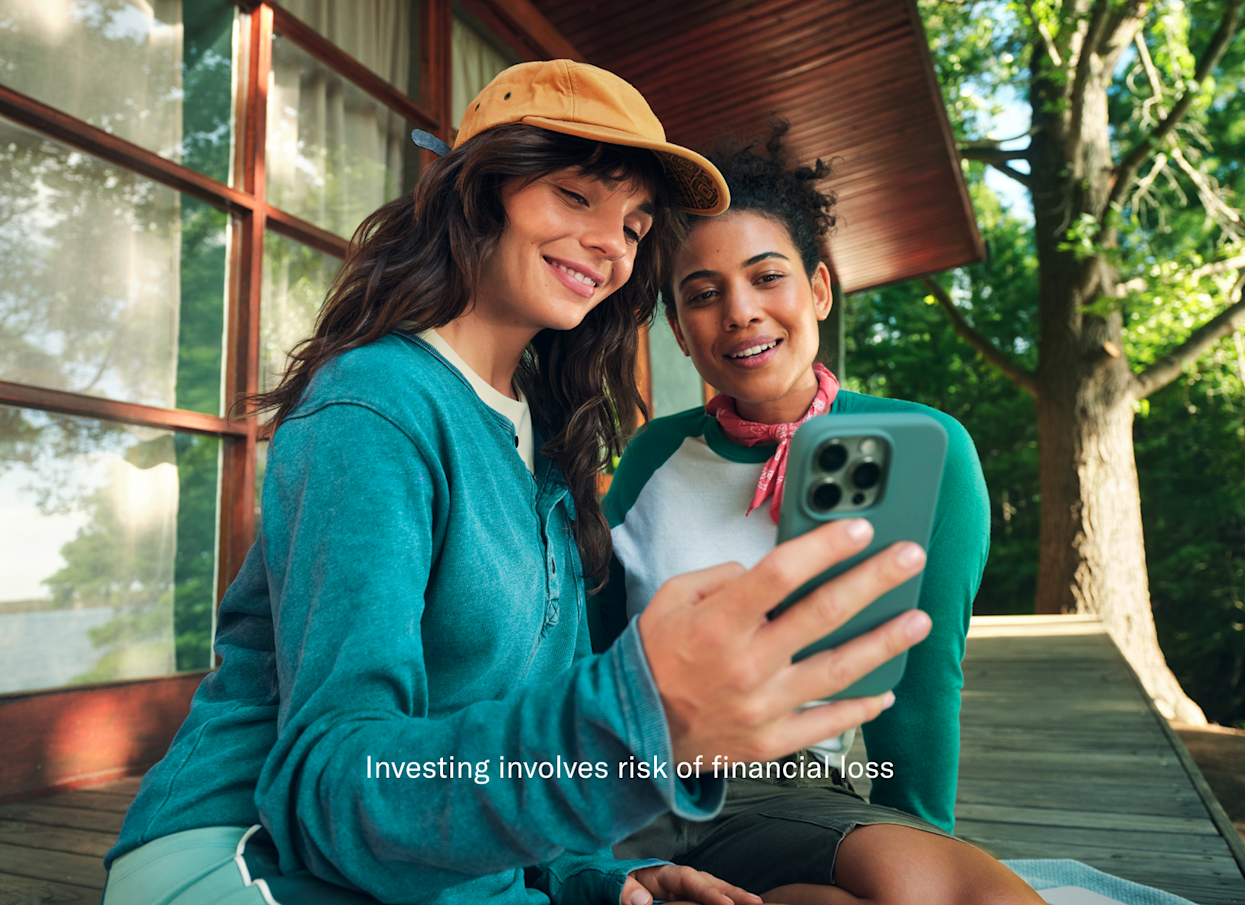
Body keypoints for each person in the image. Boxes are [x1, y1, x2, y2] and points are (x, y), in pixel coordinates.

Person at [101, 65, 932, 905]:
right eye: (576, 196)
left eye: (635, 224)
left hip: (453, 872)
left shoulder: (550, 437)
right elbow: (336, 796)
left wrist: (603, 876)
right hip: (251, 859)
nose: (612, 242)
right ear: (479, 192)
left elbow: (512, 738)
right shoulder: (376, 406)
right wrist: (639, 722)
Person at [593, 122, 1044, 905]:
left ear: (820, 290)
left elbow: (923, 680)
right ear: (679, 330)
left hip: (793, 793)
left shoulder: (922, 447)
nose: (740, 311)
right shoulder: (649, 459)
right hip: (639, 785)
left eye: (768, 277)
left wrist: (917, 846)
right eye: (702, 294)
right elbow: (587, 656)